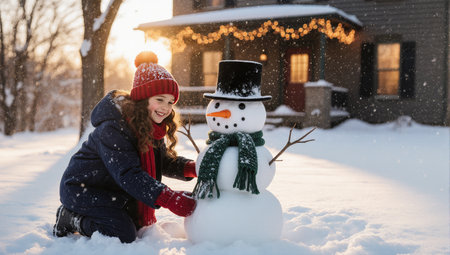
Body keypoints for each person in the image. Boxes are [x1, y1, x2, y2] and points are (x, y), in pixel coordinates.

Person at [53, 51, 197, 243]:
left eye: (171, 102)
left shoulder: (150, 126)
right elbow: (129, 174)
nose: (166, 108)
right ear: (142, 98)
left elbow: (162, 161)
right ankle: (70, 218)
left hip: (113, 191)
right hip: (82, 189)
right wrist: (169, 198)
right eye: (159, 99)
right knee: (123, 233)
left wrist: (195, 168)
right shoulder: (114, 127)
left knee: (133, 224)